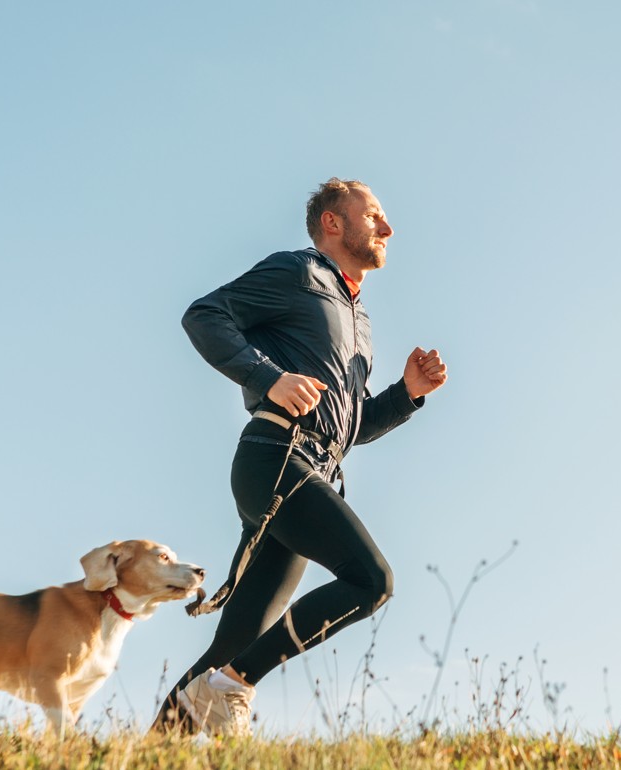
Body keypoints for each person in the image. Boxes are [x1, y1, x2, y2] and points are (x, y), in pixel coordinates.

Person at [152, 178, 447, 737]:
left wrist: (407, 393)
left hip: (315, 468)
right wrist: (269, 377)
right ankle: (236, 685)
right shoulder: (299, 273)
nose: (387, 229)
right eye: (375, 216)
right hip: (276, 456)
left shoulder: (358, 322)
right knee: (372, 580)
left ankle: (153, 746)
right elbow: (203, 314)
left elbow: (351, 427)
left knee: (230, 647)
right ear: (333, 223)